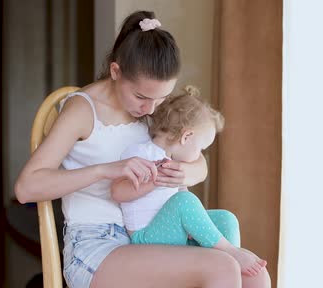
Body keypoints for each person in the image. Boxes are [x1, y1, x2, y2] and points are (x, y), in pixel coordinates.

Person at [14, 10, 273, 288]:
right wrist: (106, 170)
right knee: (222, 268)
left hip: (150, 238)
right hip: (96, 250)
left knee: (254, 275)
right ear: (115, 70)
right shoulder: (83, 110)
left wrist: (186, 173)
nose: (151, 109)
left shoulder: (152, 111)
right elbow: (27, 187)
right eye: (141, 96)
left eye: (161, 97)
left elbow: (198, 159)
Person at [112, 85, 267, 277]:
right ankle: (231, 253)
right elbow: (117, 192)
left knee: (226, 218)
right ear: (186, 136)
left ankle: (230, 271)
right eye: (201, 148)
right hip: (146, 238)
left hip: (172, 234)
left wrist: (193, 224)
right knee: (184, 202)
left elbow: (182, 198)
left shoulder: (174, 163)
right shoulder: (139, 153)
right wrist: (153, 181)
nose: (199, 155)